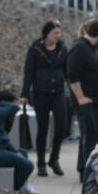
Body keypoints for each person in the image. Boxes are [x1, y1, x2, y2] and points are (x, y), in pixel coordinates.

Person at [22, 20, 68, 177]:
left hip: (58, 92)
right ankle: (41, 162)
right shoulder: (35, 49)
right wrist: (25, 94)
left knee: (61, 126)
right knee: (43, 128)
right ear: (47, 33)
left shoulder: (62, 49)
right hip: (41, 93)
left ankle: (54, 158)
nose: (58, 36)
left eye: (59, 33)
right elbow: (28, 72)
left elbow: (67, 70)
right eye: (55, 33)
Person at [67, 18, 98, 175]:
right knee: (90, 139)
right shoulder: (79, 48)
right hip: (88, 103)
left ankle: (84, 167)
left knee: (96, 138)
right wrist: (81, 98)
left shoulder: (93, 48)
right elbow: (73, 76)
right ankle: (88, 173)